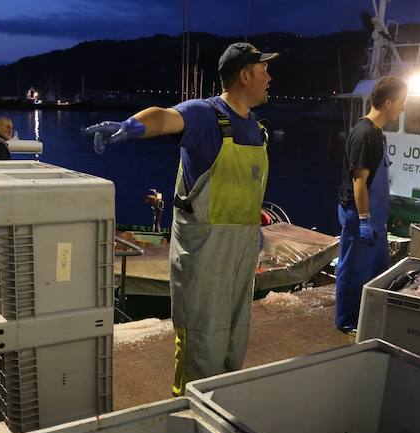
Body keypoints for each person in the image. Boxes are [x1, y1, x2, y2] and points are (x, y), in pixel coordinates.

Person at [83, 42, 278, 395]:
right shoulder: (206, 115)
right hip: (204, 255)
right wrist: (132, 126)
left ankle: (221, 408)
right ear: (245, 75)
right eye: (264, 70)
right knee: (200, 345)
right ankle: (186, 412)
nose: (270, 77)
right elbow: (164, 116)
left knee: (235, 341)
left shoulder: (256, 129)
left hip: (242, 254)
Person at [334, 76, 407, 334]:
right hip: (360, 218)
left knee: (375, 271)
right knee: (353, 270)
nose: (403, 107)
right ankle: (347, 320)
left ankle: (366, 314)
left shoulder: (377, 133)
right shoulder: (364, 134)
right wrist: (364, 220)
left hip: (376, 220)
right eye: (401, 102)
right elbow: (359, 182)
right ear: (388, 102)